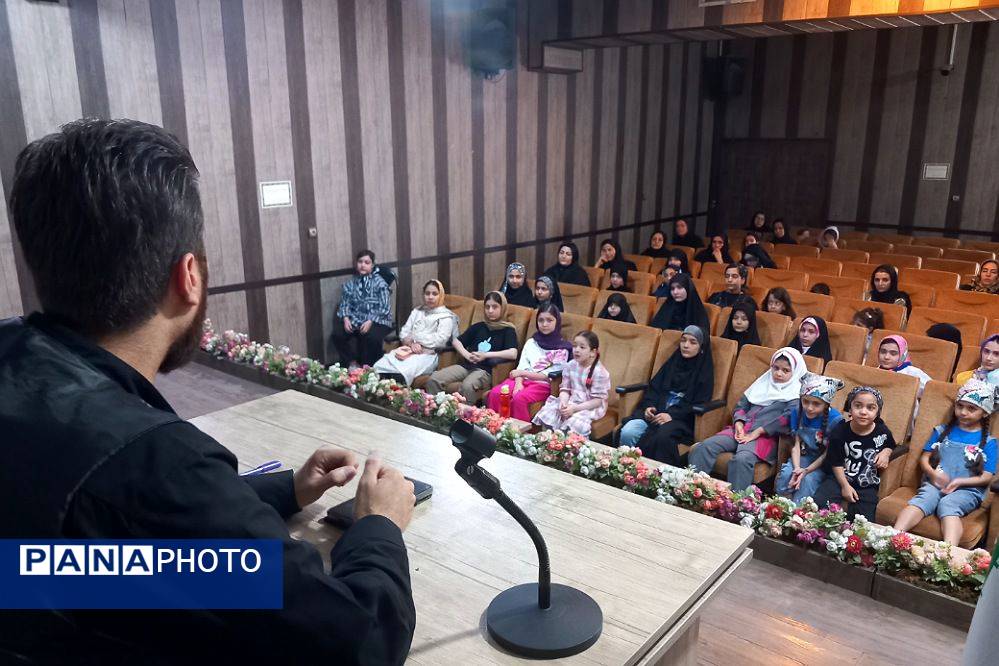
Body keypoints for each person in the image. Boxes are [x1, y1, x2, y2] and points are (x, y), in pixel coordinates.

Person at [0, 119, 417, 662]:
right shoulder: (155, 466)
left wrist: (282, 493)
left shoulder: (16, 362)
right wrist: (379, 527)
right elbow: (357, 641)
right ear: (188, 276)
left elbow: (86, 568)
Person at [893, 379, 998, 546]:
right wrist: (933, 474)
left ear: (985, 412)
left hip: (967, 490)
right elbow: (924, 458)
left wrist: (960, 481)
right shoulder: (941, 431)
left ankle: (948, 551)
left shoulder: (990, 443)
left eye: (971, 408)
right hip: (935, 483)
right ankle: (894, 537)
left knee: (948, 505)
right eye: (960, 406)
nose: (963, 412)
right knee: (924, 499)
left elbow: (987, 477)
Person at [689, 347, 805, 491]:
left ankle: (734, 505)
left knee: (741, 460)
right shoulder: (762, 383)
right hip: (742, 430)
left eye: (785, 370)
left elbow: (786, 419)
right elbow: (741, 406)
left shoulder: (795, 393)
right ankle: (692, 491)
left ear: (796, 372)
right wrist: (738, 423)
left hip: (765, 437)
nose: (778, 373)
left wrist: (757, 432)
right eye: (775, 368)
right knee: (704, 447)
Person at [618, 326, 714, 465]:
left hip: (681, 420)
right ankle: (627, 467)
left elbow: (698, 403)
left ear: (701, 347)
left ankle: (651, 475)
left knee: (662, 435)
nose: (686, 345)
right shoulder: (672, 363)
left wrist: (671, 415)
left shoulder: (704, 372)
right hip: (655, 414)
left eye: (693, 342)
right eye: (683, 340)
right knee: (628, 431)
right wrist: (649, 407)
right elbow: (654, 389)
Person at [812, 386, 896, 521]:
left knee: (864, 520)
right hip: (839, 479)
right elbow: (835, 462)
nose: (863, 412)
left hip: (866, 483)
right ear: (850, 409)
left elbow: (891, 444)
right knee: (819, 504)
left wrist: (886, 453)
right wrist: (845, 486)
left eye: (870, 408)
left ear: (877, 412)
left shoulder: (882, 430)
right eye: (858, 406)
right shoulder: (840, 431)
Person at [424, 292, 519, 403]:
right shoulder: (479, 326)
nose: (490, 311)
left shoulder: (508, 330)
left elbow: (513, 353)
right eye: (487, 307)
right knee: (434, 379)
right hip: (466, 366)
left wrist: (486, 355)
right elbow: (456, 341)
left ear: (502, 308)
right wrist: (467, 355)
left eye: (495, 307)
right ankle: (437, 412)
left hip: (484, 371)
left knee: (467, 386)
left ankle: (465, 418)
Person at [485, 305, 571, 420]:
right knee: (496, 393)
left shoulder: (562, 349)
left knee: (519, 399)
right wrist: (519, 383)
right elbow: (523, 366)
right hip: (521, 379)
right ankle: (494, 426)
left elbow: (547, 377)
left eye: (549, 320)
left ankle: (518, 434)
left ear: (557, 322)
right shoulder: (531, 342)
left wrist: (522, 374)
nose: (544, 324)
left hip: (542, 384)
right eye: (541, 320)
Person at [373, 279, 458, 385]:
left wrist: (415, 338)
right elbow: (403, 332)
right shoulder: (417, 311)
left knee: (401, 372)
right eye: (427, 293)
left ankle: (396, 397)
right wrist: (411, 343)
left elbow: (439, 340)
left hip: (428, 355)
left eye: (434, 294)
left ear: (440, 295)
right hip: (408, 350)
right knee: (380, 365)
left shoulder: (446, 317)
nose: (430, 297)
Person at [775, 374, 845, 502]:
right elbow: (796, 444)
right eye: (806, 401)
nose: (810, 408)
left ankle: (798, 514)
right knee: (786, 474)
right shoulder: (797, 412)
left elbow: (828, 454)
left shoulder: (836, 420)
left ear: (826, 404)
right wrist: (797, 468)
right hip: (803, 457)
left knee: (808, 481)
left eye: (816, 404)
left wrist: (806, 471)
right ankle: (779, 508)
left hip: (823, 464)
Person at [533, 331, 610, 437]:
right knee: (550, 412)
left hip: (588, 406)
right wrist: (563, 403)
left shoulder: (599, 372)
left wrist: (574, 409)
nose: (577, 350)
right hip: (571, 401)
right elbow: (565, 389)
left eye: (582, 347)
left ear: (593, 352)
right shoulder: (570, 365)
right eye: (575, 346)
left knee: (574, 422)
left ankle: (569, 448)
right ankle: (550, 445)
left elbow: (597, 401)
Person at [332, 249, 395, 368]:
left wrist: (370, 321)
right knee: (337, 335)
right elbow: (345, 303)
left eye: (367, 262)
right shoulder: (351, 284)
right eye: (360, 262)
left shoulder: (380, 284)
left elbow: (385, 308)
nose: (363, 265)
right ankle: (351, 362)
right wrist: (346, 318)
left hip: (379, 320)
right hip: (357, 319)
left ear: (372, 265)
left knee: (371, 337)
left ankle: (369, 367)